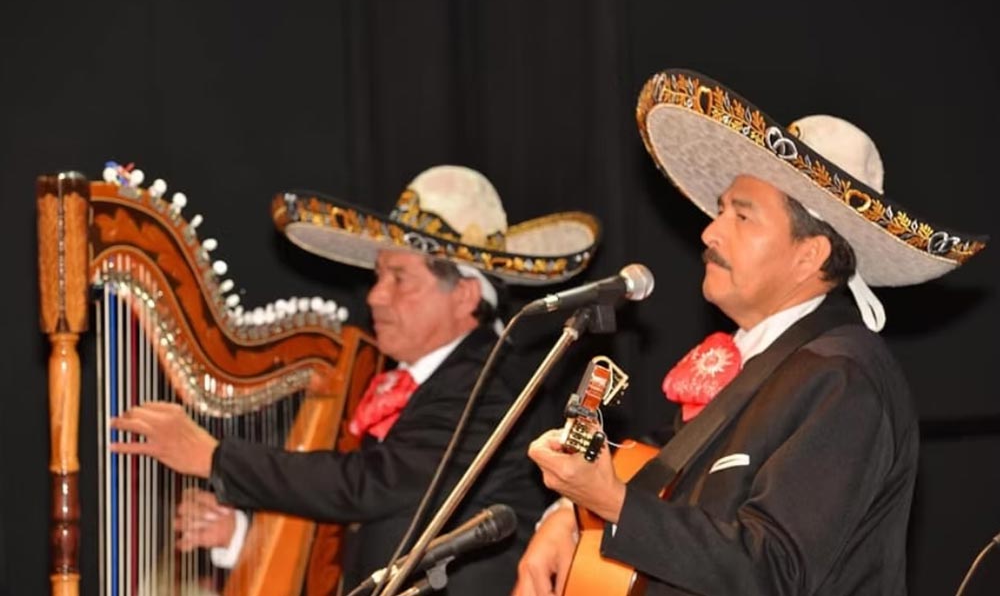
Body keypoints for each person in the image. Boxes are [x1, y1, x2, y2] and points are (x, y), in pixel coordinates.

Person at [513, 69, 988, 596]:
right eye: (721, 211)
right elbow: (657, 464)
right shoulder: (767, 362)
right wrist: (566, 515)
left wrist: (611, 503)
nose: (710, 232)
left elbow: (775, 570)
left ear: (810, 255)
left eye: (742, 217)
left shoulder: (844, 378)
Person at [109, 165, 601, 595]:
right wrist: (240, 537)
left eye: (399, 278)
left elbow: (371, 484)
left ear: (464, 295)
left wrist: (215, 456)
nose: (375, 296)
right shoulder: (403, 384)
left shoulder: (491, 384)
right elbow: (371, 533)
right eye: (378, 277)